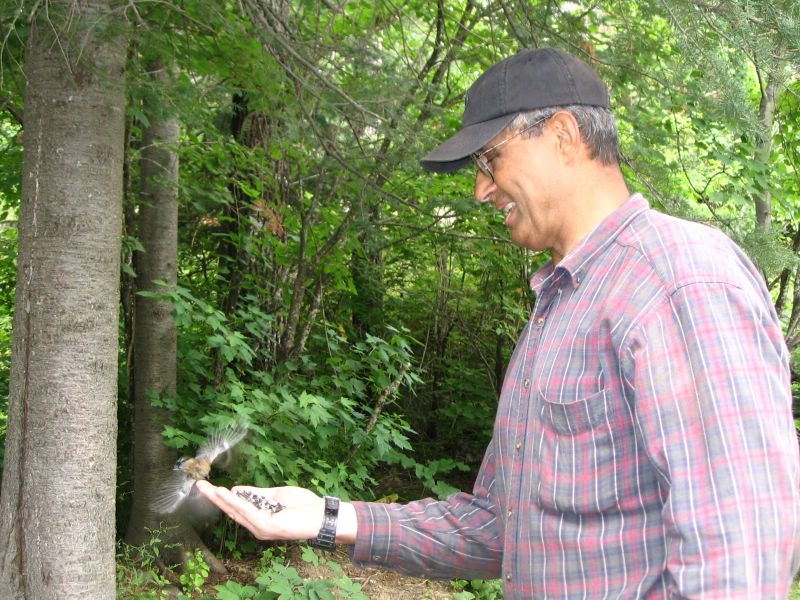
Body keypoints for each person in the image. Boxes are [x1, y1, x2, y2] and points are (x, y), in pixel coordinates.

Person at [197, 47, 800, 597]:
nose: (481, 189)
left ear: (563, 135)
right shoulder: (559, 306)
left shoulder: (677, 280)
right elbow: (497, 526)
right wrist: (326, 517)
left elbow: (740, 555)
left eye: (490, 159)